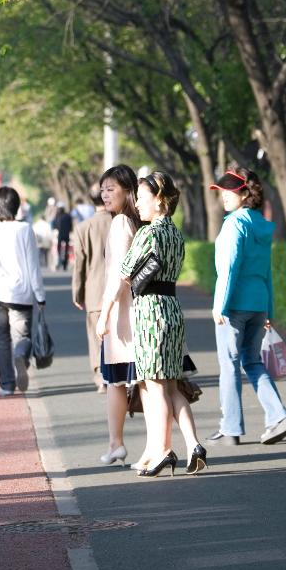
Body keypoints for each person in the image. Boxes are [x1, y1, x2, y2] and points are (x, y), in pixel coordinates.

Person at [120, 171, 207, 477]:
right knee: (171, 385)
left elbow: (126, 269)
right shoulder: (176, 234)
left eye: (142, 198)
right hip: (172, 309)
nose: (137, 204)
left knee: (154, 386)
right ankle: (194, 444)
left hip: (149, 312)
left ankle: (163, 452)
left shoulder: (148, 233)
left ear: (159, 200)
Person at [207, 168, 286, 447]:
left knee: (229, 365)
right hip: (258, 303)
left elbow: (229, 268)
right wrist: (269, 310)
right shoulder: (260, 224)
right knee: (252, 362)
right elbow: (266, 271)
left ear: (246, 193)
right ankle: (279, 417)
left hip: (234, 304)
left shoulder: (235, 224)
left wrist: (220, 304)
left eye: (230, 191)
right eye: (221, 191)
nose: (224, 196)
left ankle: (230, 428)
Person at [94, 165, 142, 464]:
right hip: (129, 312)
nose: (105, 194)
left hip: (123, 315)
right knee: (140, 382)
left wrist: (105, 312)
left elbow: (119, 274)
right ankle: (117, 443)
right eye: (103, 189)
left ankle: (117, 443)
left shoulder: (122, 223)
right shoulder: (134, 222)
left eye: (111, 189)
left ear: (128, 191)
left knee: (119, 381)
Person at [0, 186, 45, 396]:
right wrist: (40, 295)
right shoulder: (24, 229)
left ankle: (6, 385)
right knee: (22, 337)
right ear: (16, 206)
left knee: (1, 340)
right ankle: (20, 356)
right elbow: (33, 265)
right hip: (21, 294)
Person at [72, 189, 111, 392]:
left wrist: (77, 293)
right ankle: (122, 375)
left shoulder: (83, 228)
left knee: (97, 337)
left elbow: (80, 264)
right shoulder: (121, 222)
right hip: (121, 291)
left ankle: (100, 377)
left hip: (95, 292)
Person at [54, 203, 73, 270]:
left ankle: (61, 261)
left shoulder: (57, 215)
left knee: (59, 248)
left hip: (60, 234)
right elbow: (71, 226)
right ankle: (64, 263)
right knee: (66, 249)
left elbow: (55, 225)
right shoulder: (67, 215)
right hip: (66, 234)